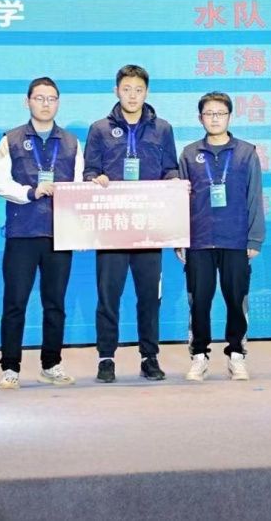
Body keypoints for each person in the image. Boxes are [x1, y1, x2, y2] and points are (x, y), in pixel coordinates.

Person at [83, 65, 179, 383]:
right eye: (126, 89)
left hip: (149, 226)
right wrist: (94, 178)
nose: (133, 95)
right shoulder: (99, 129)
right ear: (116, 91)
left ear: (146, 92)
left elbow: (170, 169)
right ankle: (106, 358)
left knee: (150, 296)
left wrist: (174, 182)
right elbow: (89, 170)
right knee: (108, 296)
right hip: (112, 226)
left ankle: (149, 357)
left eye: (138, 90)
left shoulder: (162, 129)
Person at [0, 77, 85, 390]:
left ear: (58, 103)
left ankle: (51, 364)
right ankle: (10, 367)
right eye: (39, 98)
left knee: (55, 303)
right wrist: (31, 192)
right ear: (27, 101)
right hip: (22, 233)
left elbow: (79, 186)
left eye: (51, 99)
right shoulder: (11, 140)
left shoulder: (71, 143)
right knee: (15, 302)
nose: (45, 104)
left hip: (59, 234)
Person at [175, 92, 265, 382]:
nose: (214, 119)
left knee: (236, 300)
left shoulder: (245, 153)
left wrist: (254, 239)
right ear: (200, 118)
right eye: (209, 113)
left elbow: (254, 196)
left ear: (229, 116)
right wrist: (180, 238)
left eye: (220, 113)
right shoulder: (189, 154)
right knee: (199, 302)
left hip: (236, 239)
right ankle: (199, 356)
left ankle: (236, 355)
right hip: (199, 240)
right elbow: (180, 199)